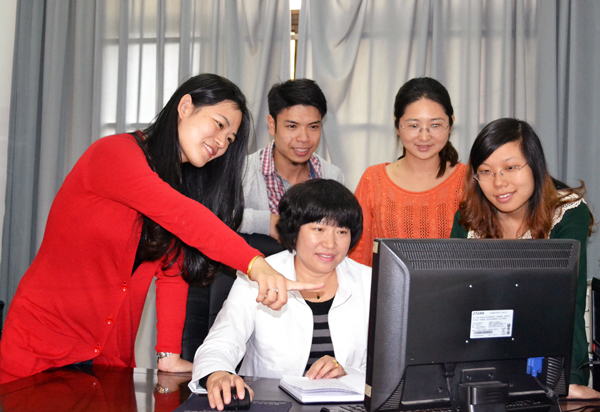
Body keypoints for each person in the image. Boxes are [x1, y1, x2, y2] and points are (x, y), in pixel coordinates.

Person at [0, 74, 319, 385]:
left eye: (230, 139)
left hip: (107, 363)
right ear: (185, 107)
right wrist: (254, 263)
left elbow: (172, 271)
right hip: (43, 349)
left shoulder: (177, 185)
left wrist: (168, 354)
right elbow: (184, 216)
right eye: (219, 125)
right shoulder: (115, 154)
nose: (221, 143)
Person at [190, 179, 371, 410]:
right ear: (295, 230)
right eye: (319, 229)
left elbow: (388, 365)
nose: (330, 243)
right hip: (270, 405)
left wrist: (348, 373)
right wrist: (218, 374)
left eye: (342, 231)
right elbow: (220, 343)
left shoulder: (371, 282)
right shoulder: (258, 275)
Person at [450, 118, 596, 399]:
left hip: (545, 359)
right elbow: (455, 303)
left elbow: (570, 304)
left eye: (510, 167)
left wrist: (569, 381)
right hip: (480, 358)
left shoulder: (567, 213)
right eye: (485, 171)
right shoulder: (468, 217)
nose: (499, 182)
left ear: (535, 165)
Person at [349, 77, 466, 267]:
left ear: (450, 124)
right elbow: (357, 258)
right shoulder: (373, 180)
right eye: (413, 125)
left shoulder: (469, 181)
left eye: (435, 125)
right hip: (386, 286)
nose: (424, 136)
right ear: (397, 126)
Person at [239, 78, 344, 248]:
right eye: (292, 126)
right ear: (272, 125)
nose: (304, 138)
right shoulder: (243, 171)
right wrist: (267, 222)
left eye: (313, 127)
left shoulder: (331, 176)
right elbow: (215, 218)